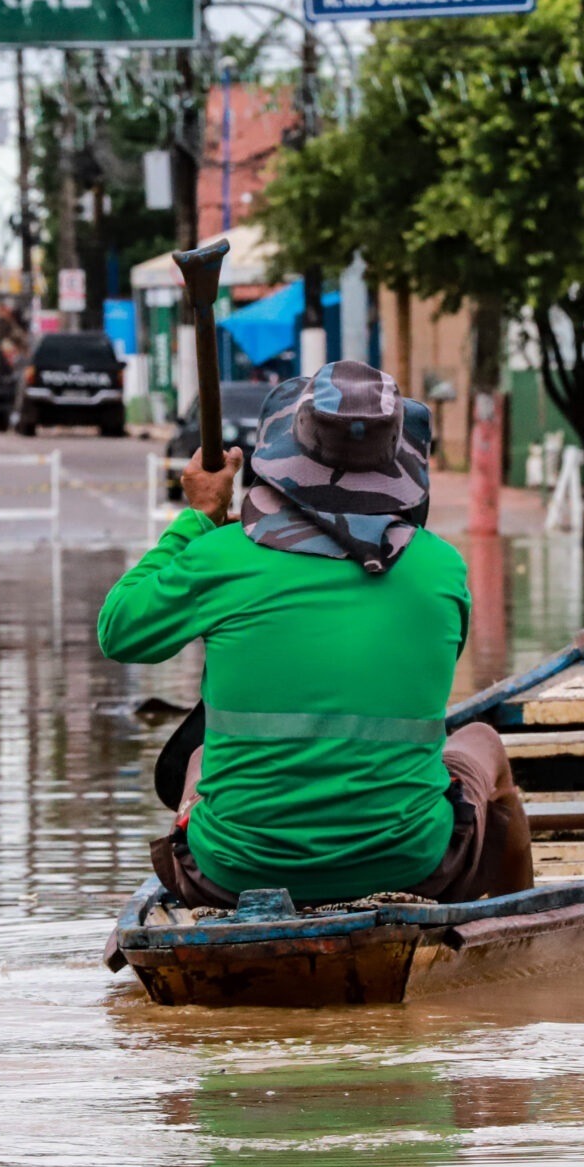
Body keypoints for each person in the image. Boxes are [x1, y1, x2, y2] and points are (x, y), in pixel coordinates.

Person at [97, 360, 534, 910]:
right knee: (482, 742)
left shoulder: (220, 556)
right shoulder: (442, 568)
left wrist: (200, 518)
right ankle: (513, 915)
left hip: (231, 873)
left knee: (201, 758)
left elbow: (118, 630)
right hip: (414, 863)